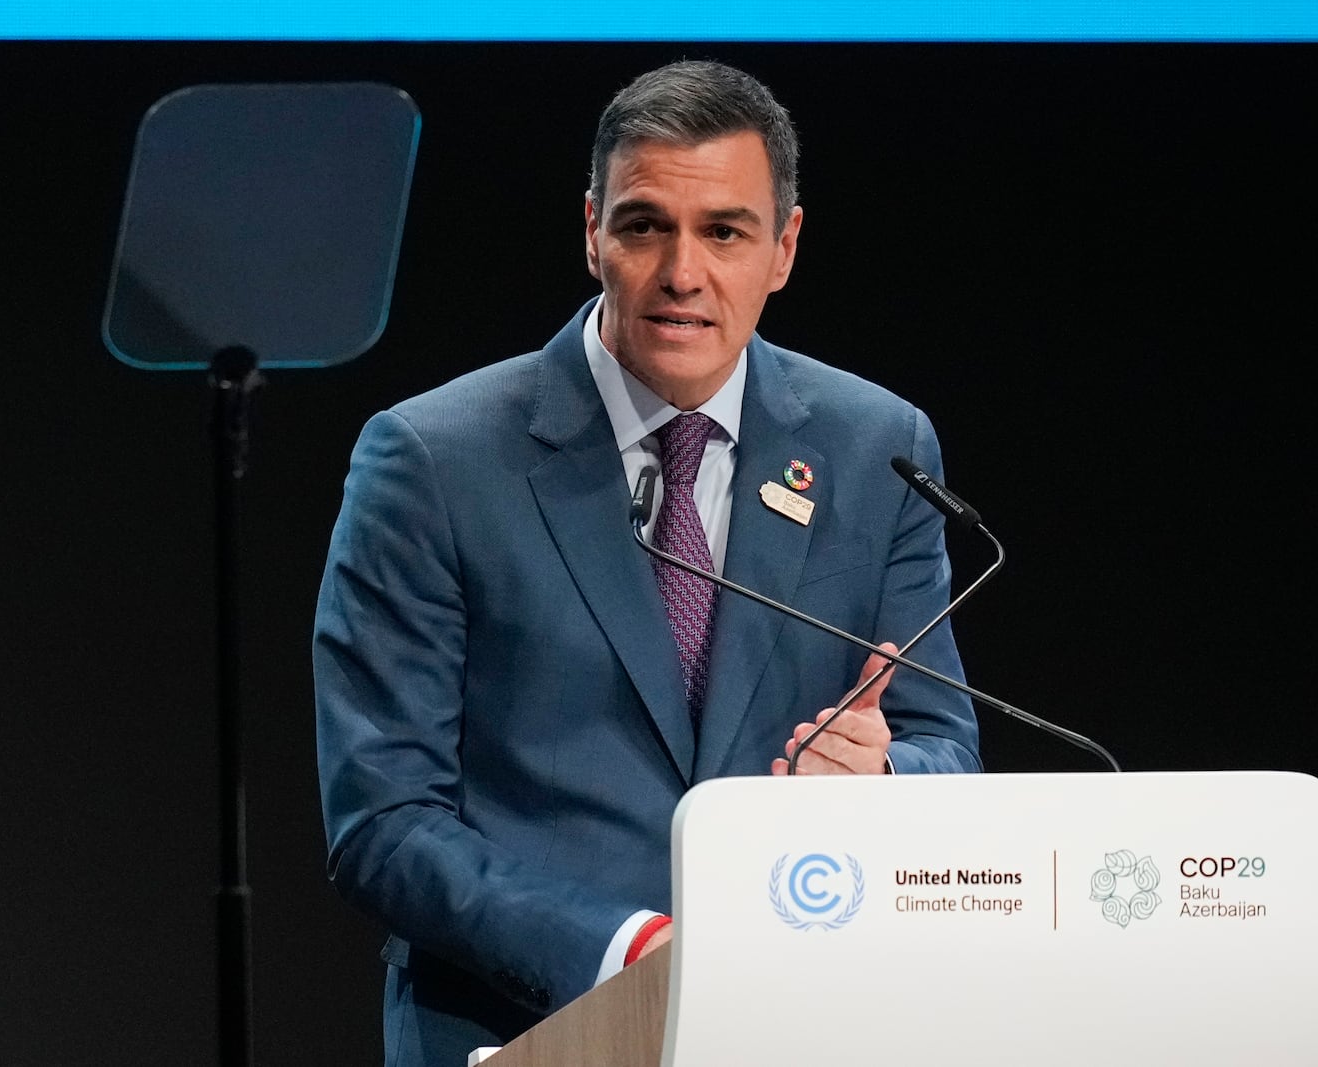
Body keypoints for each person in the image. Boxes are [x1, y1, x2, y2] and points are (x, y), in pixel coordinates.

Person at [313, 59, 981, 1067]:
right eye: (643, 225)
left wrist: (882, 774)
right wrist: (621, 945)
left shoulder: (875, 449)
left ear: (783, 248)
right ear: (591, 231)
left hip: (799, 1019)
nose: (681, 272)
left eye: (723, 231)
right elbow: (382, 817)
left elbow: (948, 752)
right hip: (517, 1023)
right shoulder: (435, 461)